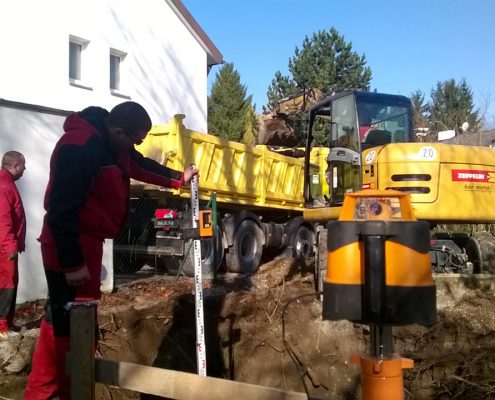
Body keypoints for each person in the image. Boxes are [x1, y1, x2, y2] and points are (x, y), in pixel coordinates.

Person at [24, 102, 198, 399]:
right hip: (68, 244)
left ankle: (58, 389)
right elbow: (61, 209)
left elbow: (140, 165)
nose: (135, 146)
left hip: (86, 243)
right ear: (118, 130)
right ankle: (53, 392)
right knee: (68, 325)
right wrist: (73, 262)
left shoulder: (114, 145)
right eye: (134, 139)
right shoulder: (81, 147)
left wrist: (178, 178)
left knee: (75, 320)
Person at [0, 151, 26, 339]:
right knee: (6, 284)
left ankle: (7, 323)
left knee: (11, 282)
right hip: (4, 247)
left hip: (8, 244)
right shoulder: (3, 185)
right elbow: (3, 219)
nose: (25, 168)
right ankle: (2, 327)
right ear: (16, 165)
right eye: (24, 165)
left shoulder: (7, 183)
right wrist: (10, 246)